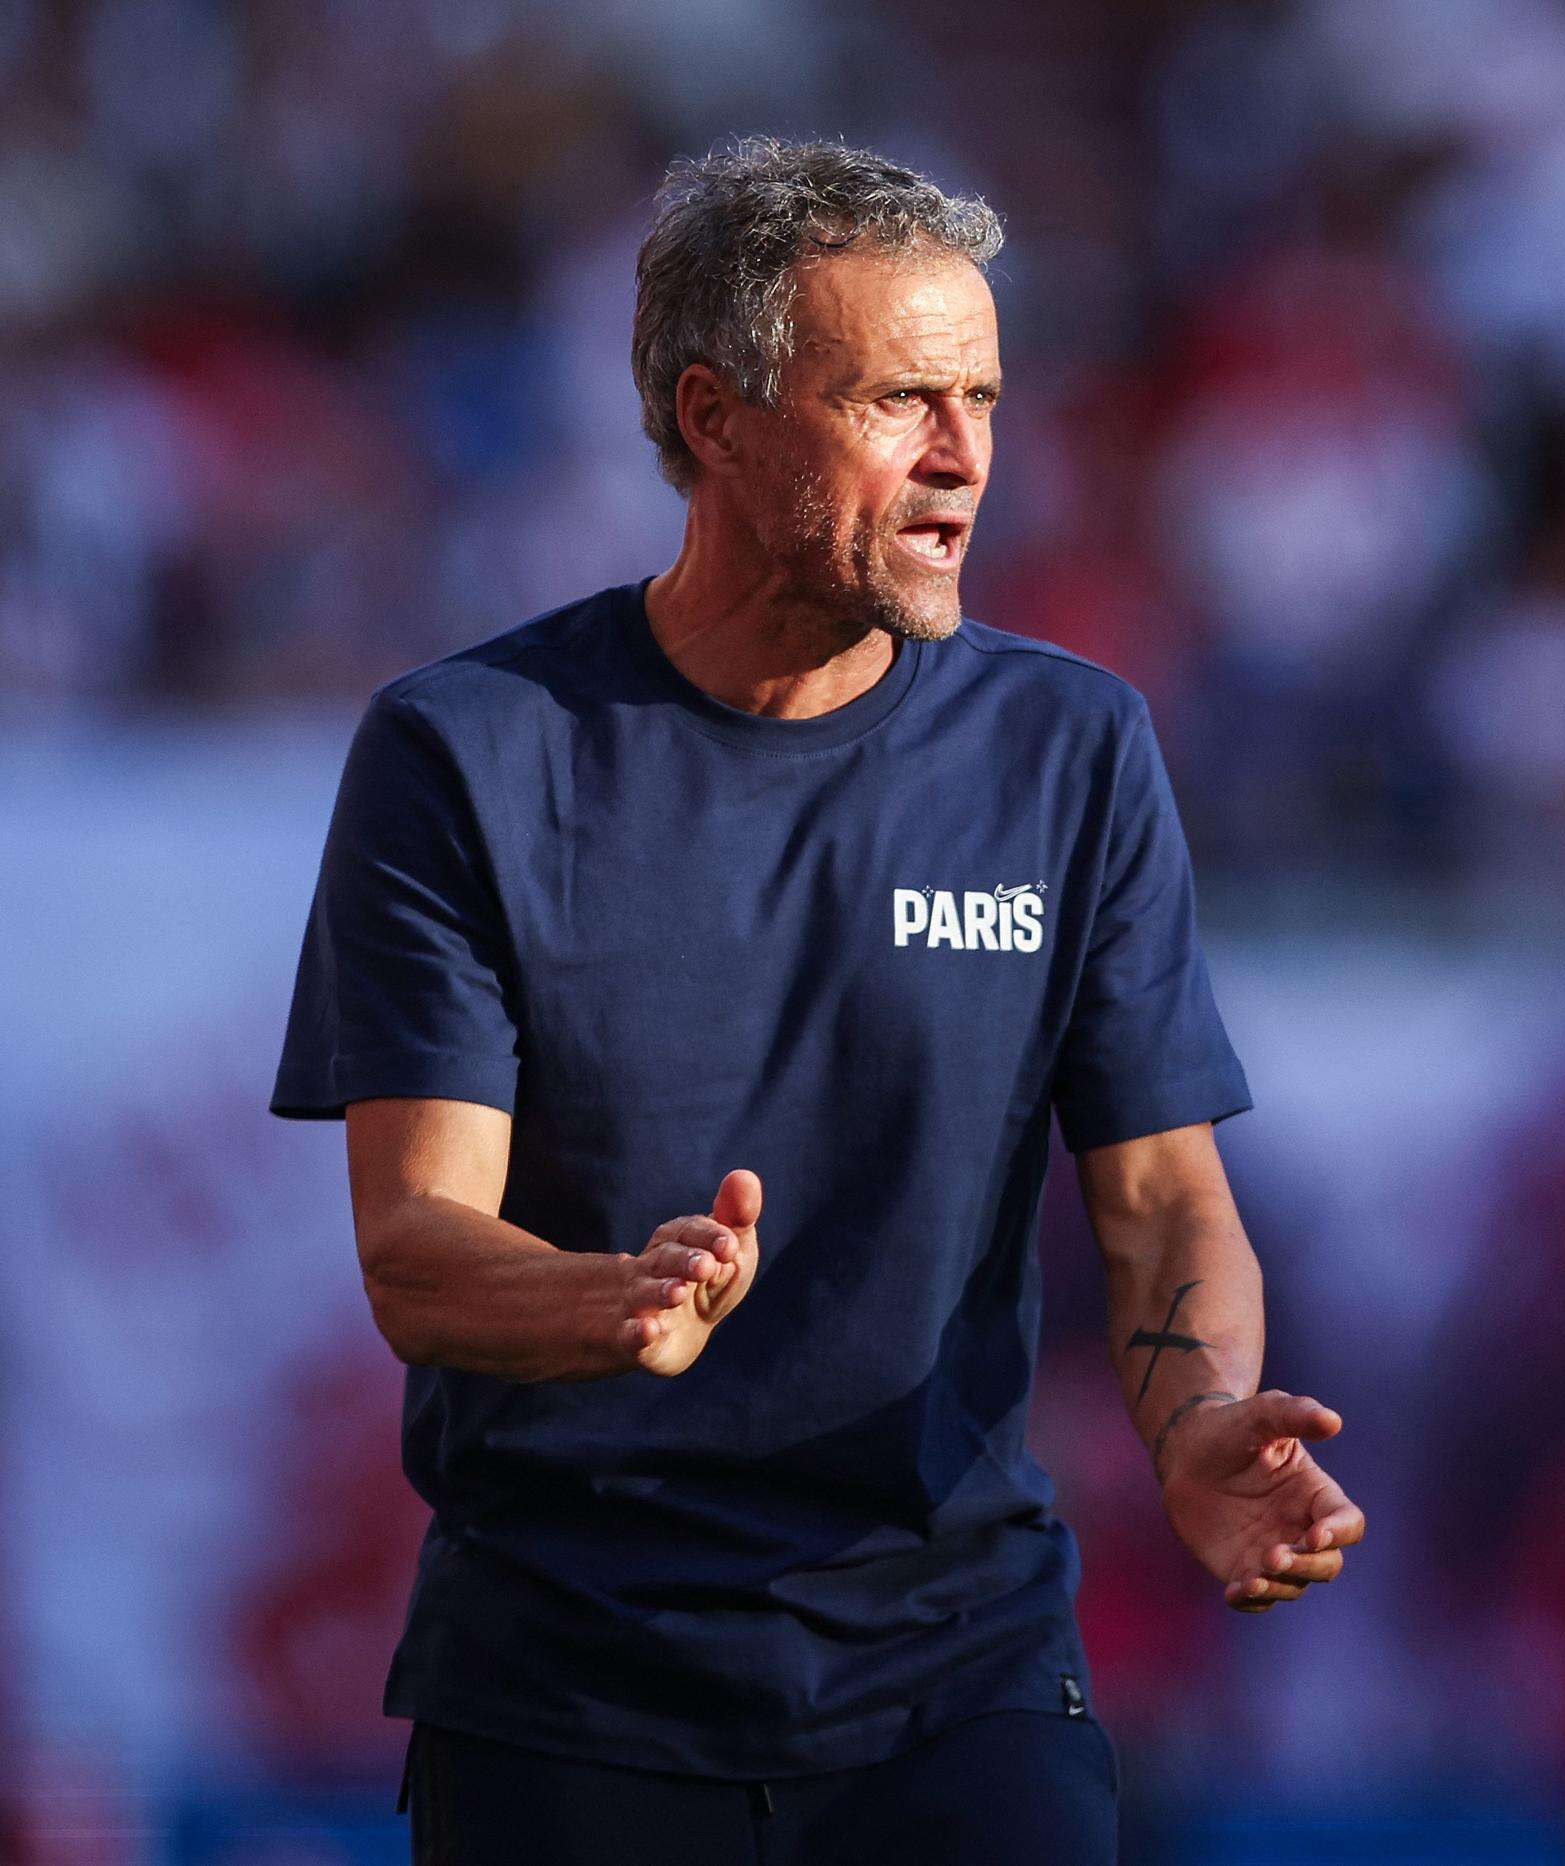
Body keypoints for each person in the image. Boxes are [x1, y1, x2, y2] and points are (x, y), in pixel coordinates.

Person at [267, 135, 1363, 1865]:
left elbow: (1164, 1205)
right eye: (902, 402)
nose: (965, 460)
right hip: (572, 1698)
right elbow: (414, 1241)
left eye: (985, 399)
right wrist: (610, 1303)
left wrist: (1201, 1417)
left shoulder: (1071, 748)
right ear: (715, 418)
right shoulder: (465, 752)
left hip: (967, 1689)